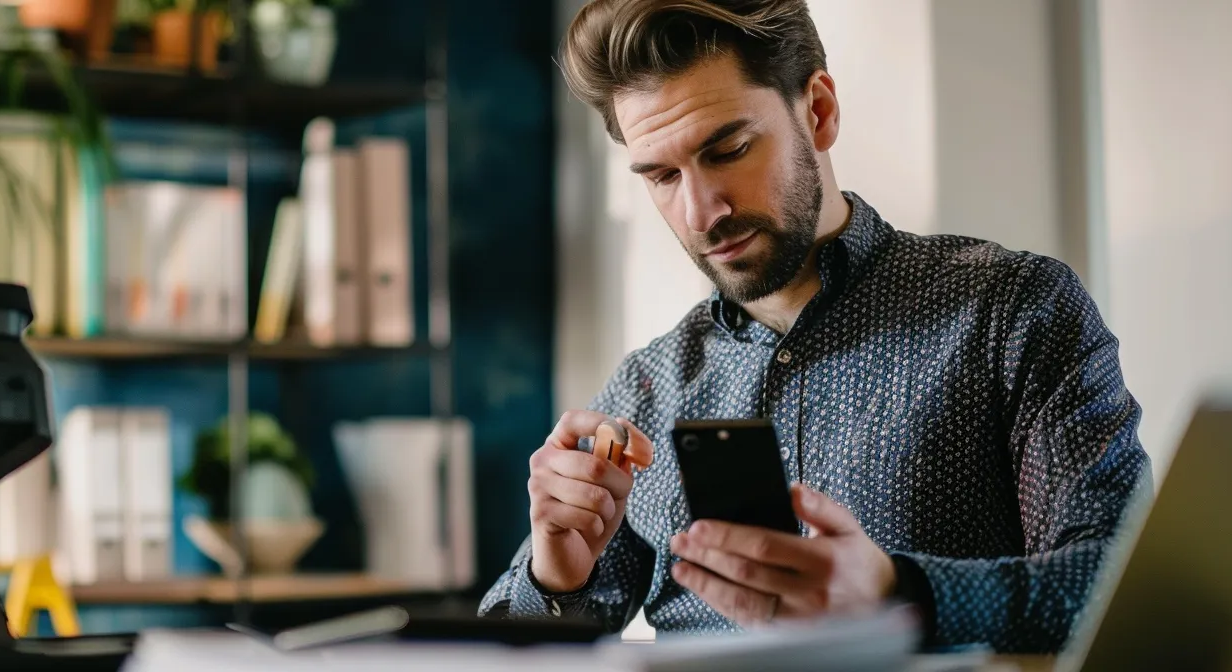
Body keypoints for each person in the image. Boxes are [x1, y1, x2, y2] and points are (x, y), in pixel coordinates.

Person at [477, 0, 1151, 654]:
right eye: (661, 176)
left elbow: (1130, 587)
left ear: (820, 111)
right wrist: (553, 573)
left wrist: (898, 592)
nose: (700, 211)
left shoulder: (1010, 311)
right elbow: (499, 651)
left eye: (729, 149)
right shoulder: (645, 390)